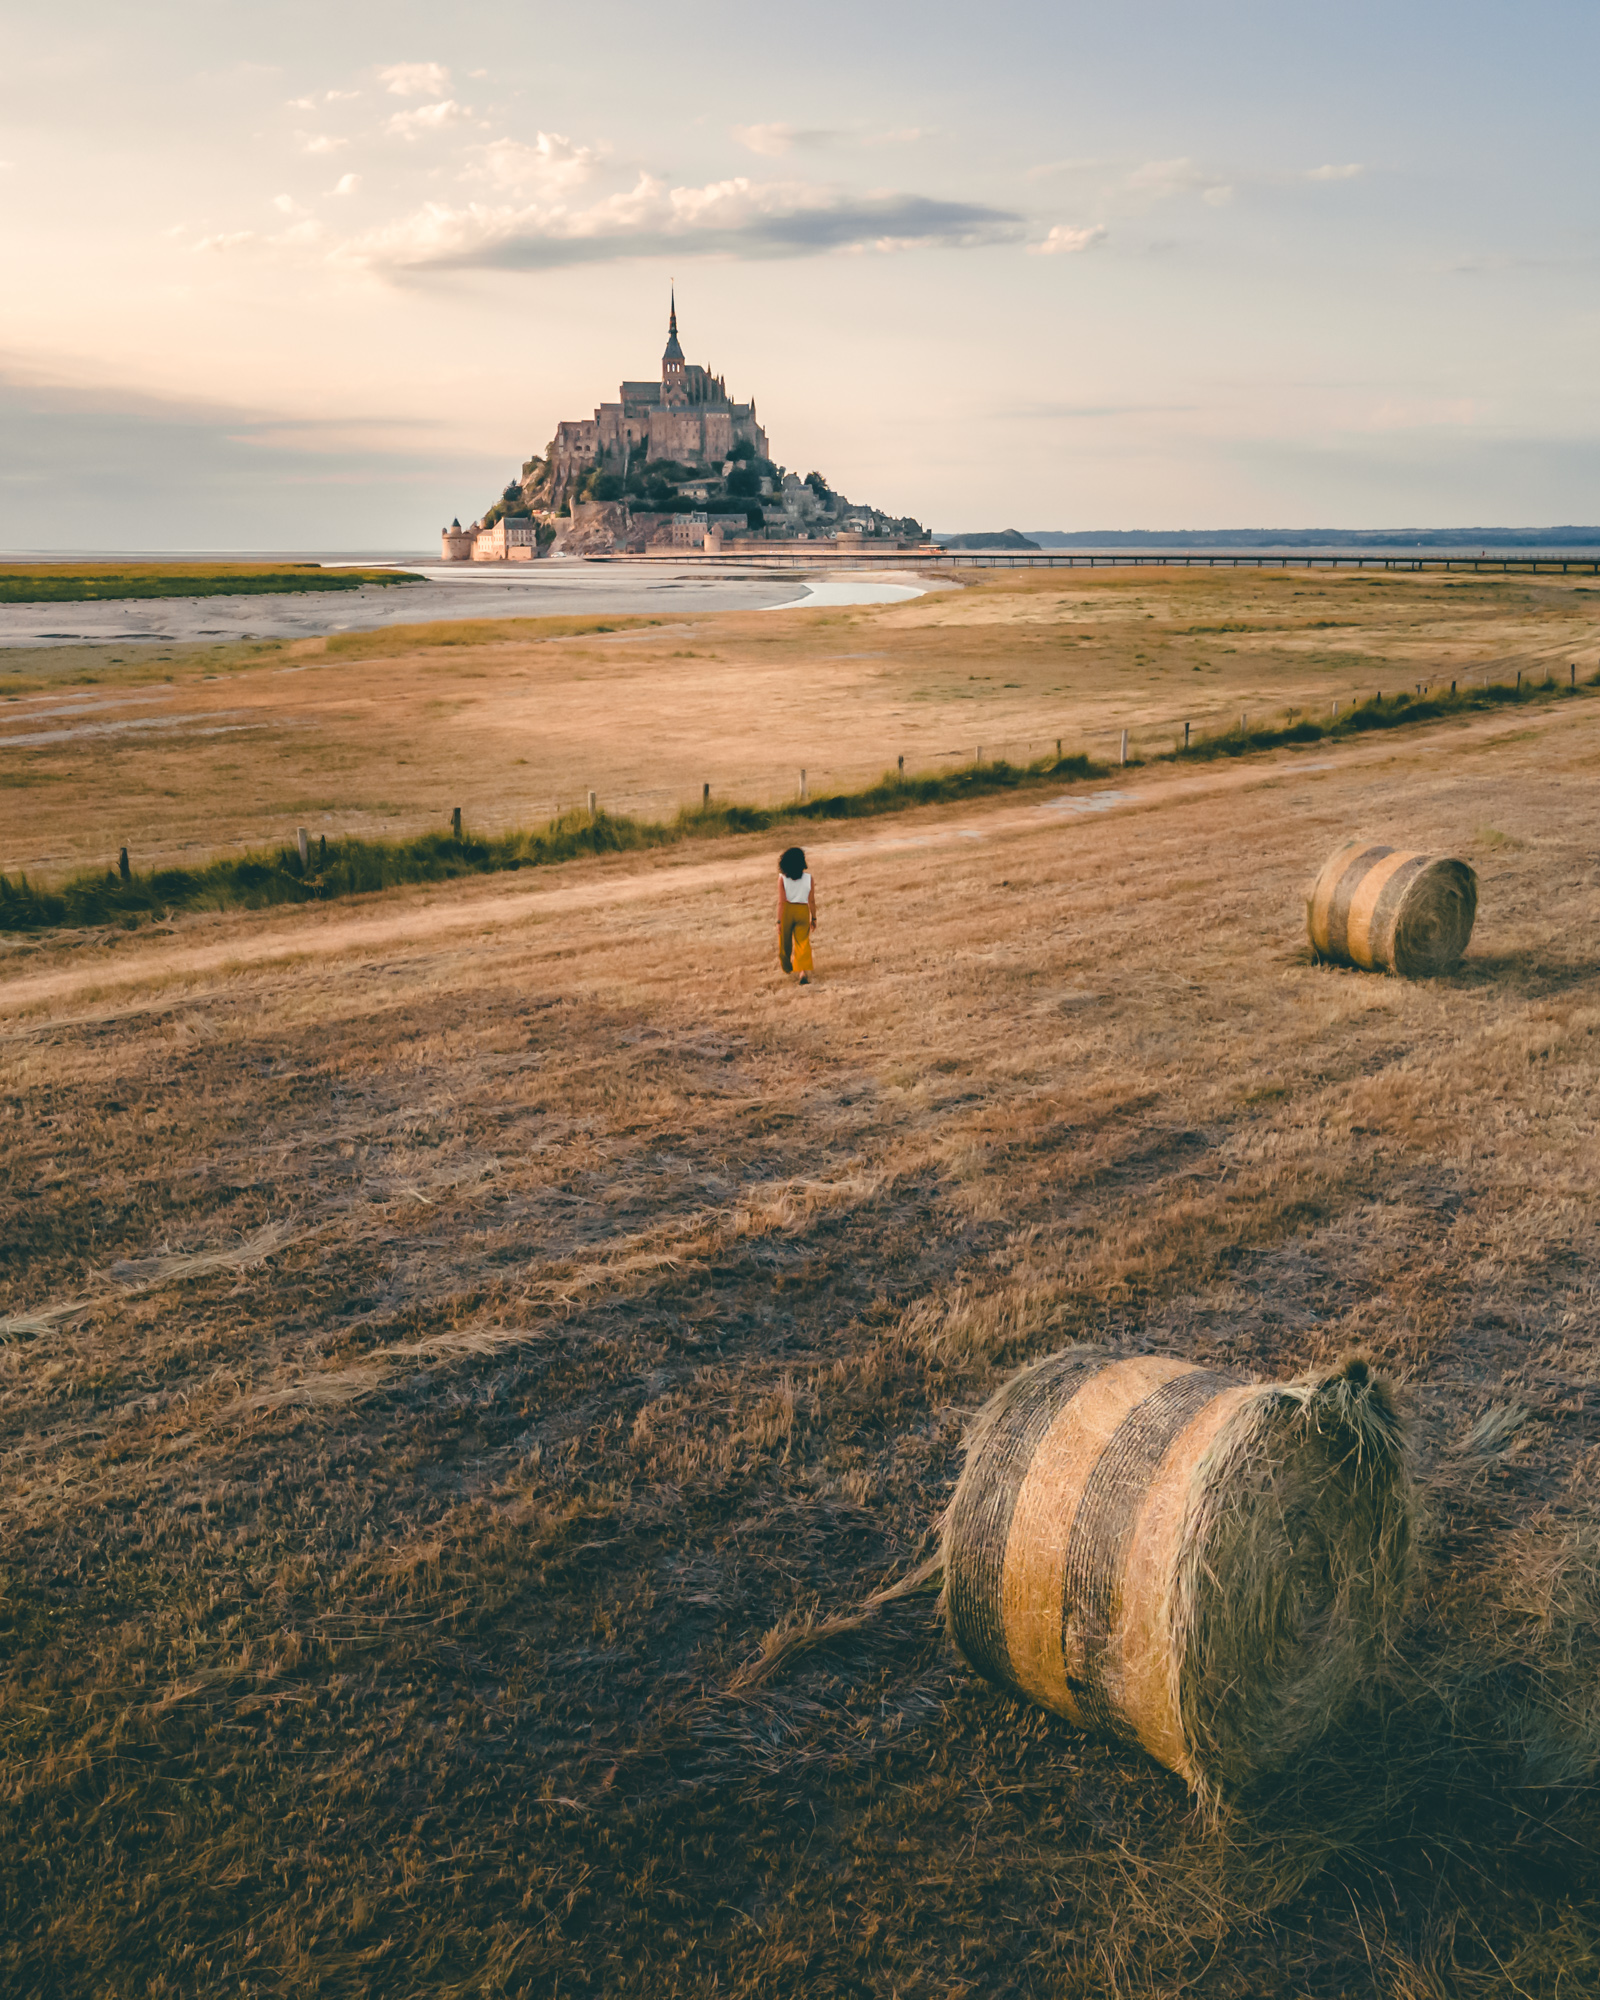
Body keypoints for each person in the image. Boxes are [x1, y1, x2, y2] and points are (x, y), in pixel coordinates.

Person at [777, 846, 817, 983]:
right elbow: (811, 900)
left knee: (784, 943)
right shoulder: (809, 878)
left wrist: (778, 921)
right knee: (802, 943)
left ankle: (788, 967)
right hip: (802, 910)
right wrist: (814, 917)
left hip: (787, 910)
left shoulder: (782, 878)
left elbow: (781, 902)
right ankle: (802, 972)